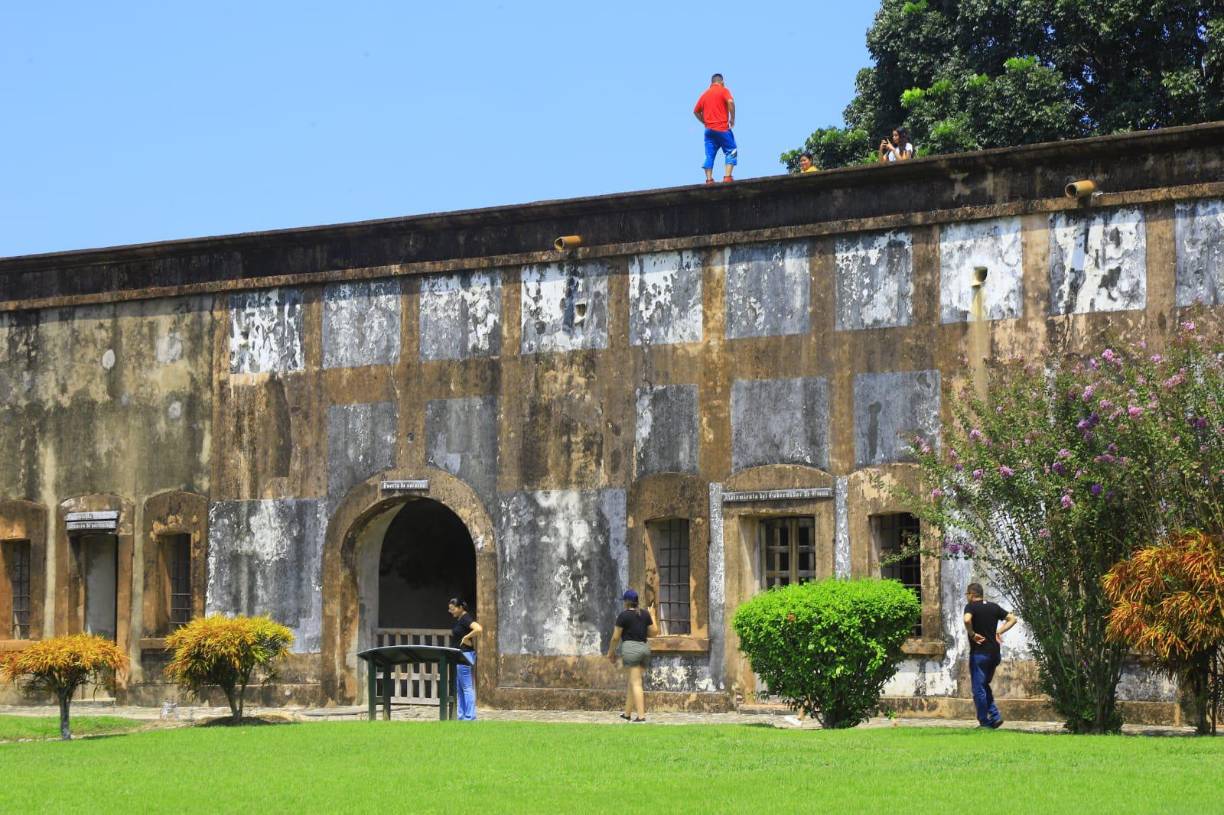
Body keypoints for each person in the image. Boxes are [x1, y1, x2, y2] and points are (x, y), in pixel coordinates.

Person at [963, 582, 1017, 729]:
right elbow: (1013, 619)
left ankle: (984, 722)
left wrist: (972, 634)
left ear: (972, 594)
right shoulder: (993, 607)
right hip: (994, 654)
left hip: (979, 655)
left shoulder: (971, 607)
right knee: (984, 685)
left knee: (978, 689)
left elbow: (967, 619)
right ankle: (995, 716)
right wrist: (999, 631)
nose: (967, 597)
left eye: (967, 594)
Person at [607, 589, 658, 722]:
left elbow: (615, 637)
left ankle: (641, 717)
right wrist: (652, 615)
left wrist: (611, 652)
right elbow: (654, 633)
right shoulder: (645, 614)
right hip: (644, 649)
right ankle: (627, 714)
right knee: (633, 682)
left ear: (626, 602)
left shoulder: (623, 616)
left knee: (636, 683)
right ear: (636, 602)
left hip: (631, 649)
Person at [693, 73, 737, 184]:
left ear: (711, 83)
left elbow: (696, 111)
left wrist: (704, 121)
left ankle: (709, 179)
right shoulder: (723, 90)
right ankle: (727, 177)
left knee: (709, 154)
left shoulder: (705, 94)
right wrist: (732, 118)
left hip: (709, 131)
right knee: (731, 150)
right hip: (722, 128)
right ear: (722, 82)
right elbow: (731, 102)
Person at [448, 597, 482, 721]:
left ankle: (470, 717)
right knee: (460, 688)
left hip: (465, 655)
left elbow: (478, 629)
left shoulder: (466, 618)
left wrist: (466, 637)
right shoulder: (460, 619)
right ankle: (461, 716)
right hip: (459, 655)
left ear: (460, 608)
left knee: (467, 687)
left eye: (452, 609)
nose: (450, 611)